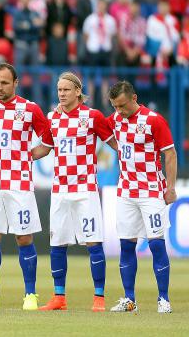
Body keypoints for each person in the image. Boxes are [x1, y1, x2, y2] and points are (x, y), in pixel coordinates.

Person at [0, 63, 54, 311]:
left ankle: (30, 294)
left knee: (23, 236)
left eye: (4, 82)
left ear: (16, 83)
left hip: (19, 183)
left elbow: (47, 139)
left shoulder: (29, 109)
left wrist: (29, 155)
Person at [39, 73, 116, 312]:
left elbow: (114, 143)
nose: (61, 94)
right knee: (57, 243)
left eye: (66, 90)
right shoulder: (52, 117)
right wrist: (20, 156)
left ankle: (99, 298)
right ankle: (59, 297)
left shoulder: (92, 116)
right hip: (60, 190)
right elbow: (45, 148)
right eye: (59, 89)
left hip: (85, 190)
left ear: (77, 92)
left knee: (93, 242)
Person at [107, 81, 176, 314]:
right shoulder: (116, 119)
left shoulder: (153, 120)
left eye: (123, 105)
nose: (119, 111)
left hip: (151, 192)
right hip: (126, 192)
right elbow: (96, 125)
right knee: (126, 244)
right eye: (115, 107)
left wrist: (171, 187)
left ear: (134, 98)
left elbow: (170, 153)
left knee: (156, 243)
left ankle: (163, 299)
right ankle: (129, 299)